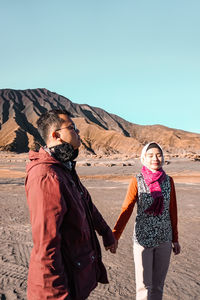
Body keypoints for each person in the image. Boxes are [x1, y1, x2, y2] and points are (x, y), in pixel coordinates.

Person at [25, 109, 117, 300]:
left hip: (76, 274)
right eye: (73, 128)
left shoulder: (63, 168)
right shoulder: (46, 175)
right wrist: (57, 295)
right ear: (56, 135)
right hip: (61, 286)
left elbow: (86, 203)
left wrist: (106, 232)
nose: (78, 133)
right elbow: (46, 243)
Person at [113, 142, 181, 300]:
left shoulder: (168, 181)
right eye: (150, 155)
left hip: (164, 238)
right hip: (142, 240)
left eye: (158, 155)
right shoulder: (137, 180)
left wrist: (175, 239)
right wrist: (115, 235)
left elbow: (173, 211)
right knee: (143, 287)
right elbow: (127, 208)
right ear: (143, 158)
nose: (155, 158)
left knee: (158, 286)